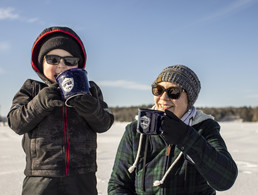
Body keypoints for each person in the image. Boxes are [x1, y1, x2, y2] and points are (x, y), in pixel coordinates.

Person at [7, 26, 114, 195]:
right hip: (40, 176)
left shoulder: (90, 90)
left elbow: (105, 123)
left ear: (78, 64)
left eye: (69, 61)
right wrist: (39, 103)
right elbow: (15, 123)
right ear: (42, 62)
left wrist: (90, 107)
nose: (61, 65)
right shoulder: (31, 89)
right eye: (53, 59)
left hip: (82, 175)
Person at [108, 65, 238, 194]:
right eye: (158, 90)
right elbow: (118, 185)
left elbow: (225, 180)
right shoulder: (135, 131)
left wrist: (186, 138)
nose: (163, 98)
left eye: (173, 92)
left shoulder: (204, 128)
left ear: (189, 99)